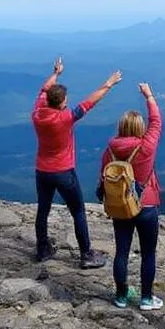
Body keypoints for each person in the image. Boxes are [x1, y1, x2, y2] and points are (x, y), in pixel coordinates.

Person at [33, 56, 121, 269]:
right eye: (65, 100)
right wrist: (108, 84)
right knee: (78, 211)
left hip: (42, 171)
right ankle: (86, 254)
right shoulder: (65, 118)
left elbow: (44, 90)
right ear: (61, 102)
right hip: (64, 172)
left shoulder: (37, 113)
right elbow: (90, 102)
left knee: (43, 210)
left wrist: (55, 73)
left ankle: (43, 249)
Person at [98, 81, 164, 311]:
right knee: (148, 253)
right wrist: (149, 95)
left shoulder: (110, 150)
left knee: (122, 251)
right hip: (146, 206)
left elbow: (103, 177)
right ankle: (146, 298)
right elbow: (157, 122)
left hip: (120, 207)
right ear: (139, 128)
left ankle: (121, 296)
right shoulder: (146, 147)